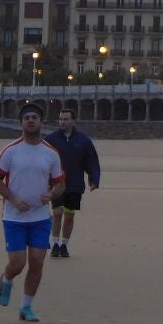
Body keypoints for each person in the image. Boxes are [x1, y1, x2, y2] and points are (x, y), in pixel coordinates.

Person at [0, 103, 65, 322]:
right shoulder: (10, 150)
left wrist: (52, 194)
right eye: (26, 118)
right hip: (13, 217)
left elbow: (60, 183)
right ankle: (6, 280)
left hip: (40, 217)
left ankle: (26, 307)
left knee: (37, 262)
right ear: (21, 123)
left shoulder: (51, 153)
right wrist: (12, 198)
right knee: (18, 263)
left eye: (34, 117)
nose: (30, 121)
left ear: (41, 122)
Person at [44, 108, 101, 258]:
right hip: (56, 183)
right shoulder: (51, 140)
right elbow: (41, 160)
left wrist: (94, 179)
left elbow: (91, 161)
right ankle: (55, 244)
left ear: (73, 121)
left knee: (69, 216)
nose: (62, 122)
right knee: (57, 213)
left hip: (75, 184)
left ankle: (64, 245)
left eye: (66, 119)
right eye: (61, 119)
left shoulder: (83, 140)